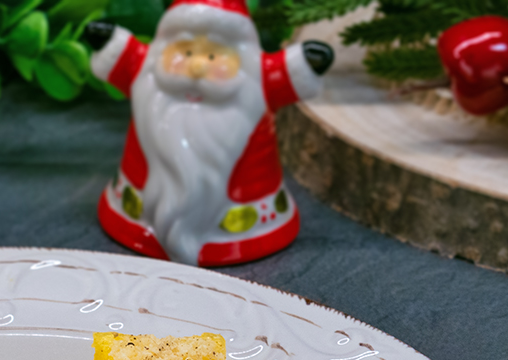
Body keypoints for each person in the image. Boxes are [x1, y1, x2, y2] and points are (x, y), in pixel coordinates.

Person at [86, 0, 333, 267]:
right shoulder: (148, 73)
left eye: (214, 56)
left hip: (247, 228)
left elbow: (288, 73)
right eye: (186, 52)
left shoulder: (256, 80)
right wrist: (108, 40)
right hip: (134, 220)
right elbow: (125, 56)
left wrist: (306, 62)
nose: (197, 67)